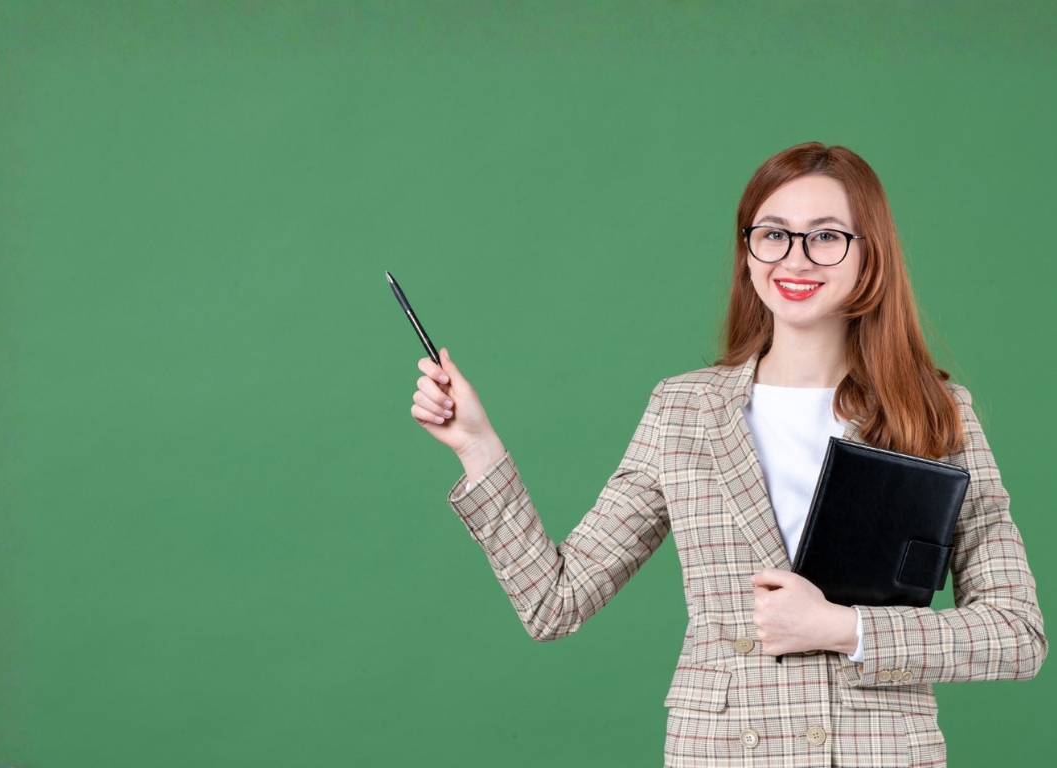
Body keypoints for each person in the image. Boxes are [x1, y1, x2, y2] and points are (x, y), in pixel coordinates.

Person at [407, 142, 1045, 766]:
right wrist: (477, 445)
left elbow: (1017, 635)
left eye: (826, 236)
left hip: (875, 752)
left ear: (869, 254)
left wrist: (841, 627)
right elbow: (556, 601)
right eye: (773, 234)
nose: (795, 258)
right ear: (748, 250)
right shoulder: (684, 410)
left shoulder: (933, 413)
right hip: (723, 751)